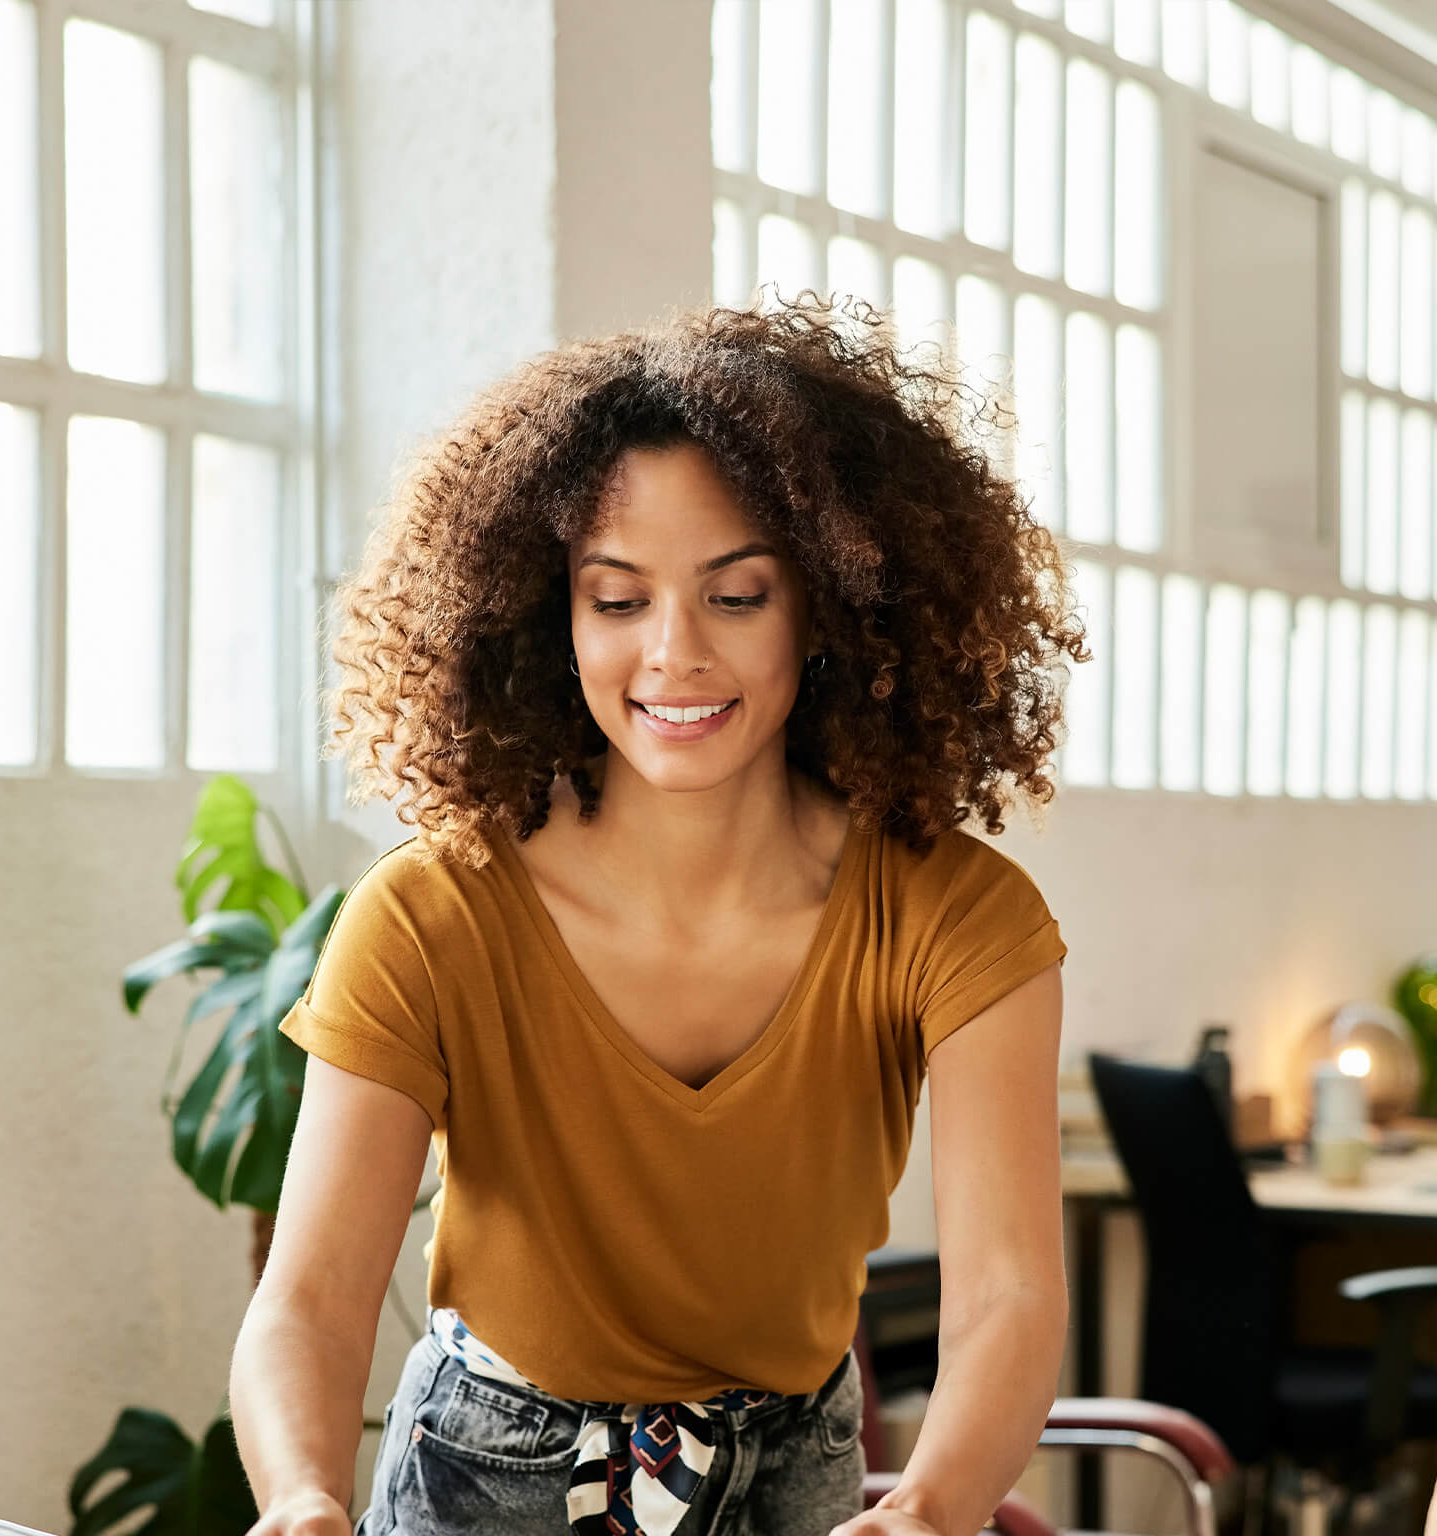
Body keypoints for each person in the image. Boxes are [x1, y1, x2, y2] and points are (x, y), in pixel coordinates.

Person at [229, 291, 1088, 1536]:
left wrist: (935, 1507)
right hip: (480, 1476)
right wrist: (302, 1497)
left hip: (798, 1482)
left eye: (736, 596)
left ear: (832, 606)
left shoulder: (958, 918)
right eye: (618, 600)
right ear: (548, 614)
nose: (673, 655)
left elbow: (1009, 1292)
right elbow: (308, 1299)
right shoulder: (430, 915)